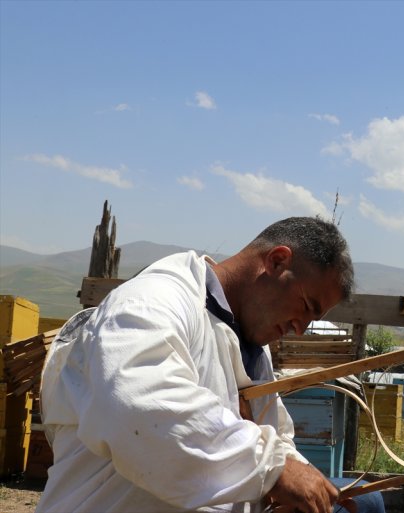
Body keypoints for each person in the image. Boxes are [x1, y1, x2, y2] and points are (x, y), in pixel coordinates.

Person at [36, 217, 384, 513]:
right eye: (308, 305)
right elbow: (140, 409)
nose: (301, 328)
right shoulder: (154, 301)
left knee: (369, 501)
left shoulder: (249, 346)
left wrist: (295, 476)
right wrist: (274, 470)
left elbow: (275, 435)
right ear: (277, 261)